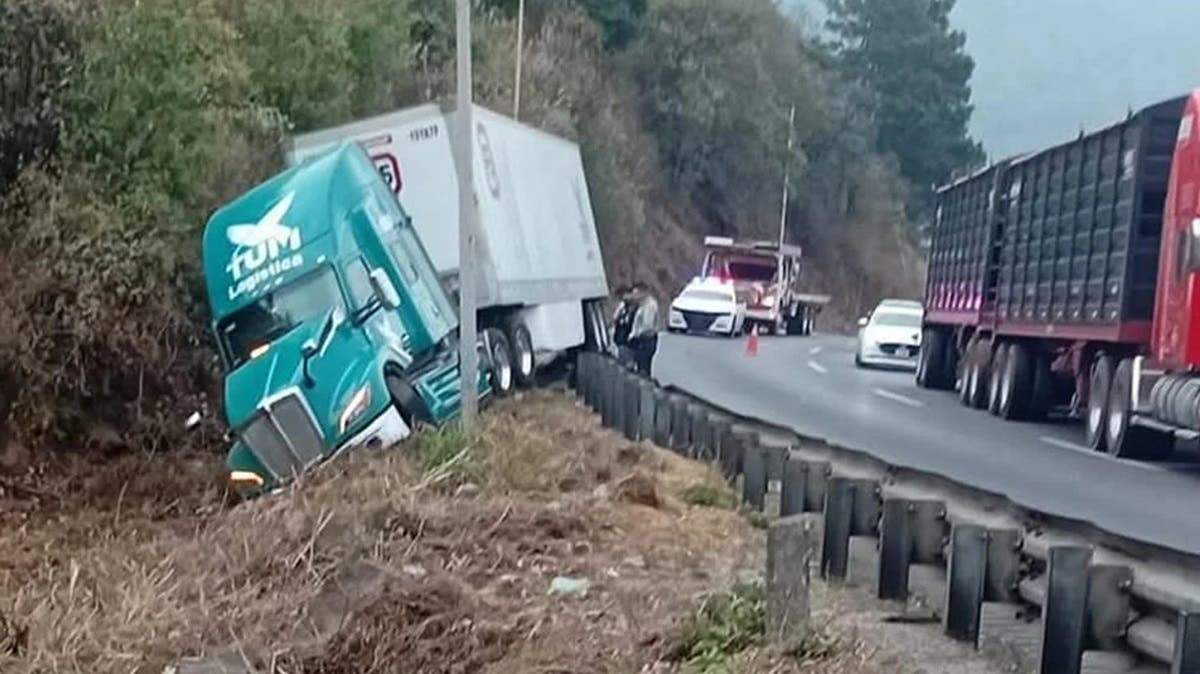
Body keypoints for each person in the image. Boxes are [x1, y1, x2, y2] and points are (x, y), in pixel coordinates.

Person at [627, 282, 660, 375]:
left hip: (646, 340)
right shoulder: (643, 305)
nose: (634, 296)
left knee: (643, 368)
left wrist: (634, 335)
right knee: (642, 366)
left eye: (636, 294)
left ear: (643, 293)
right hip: (644, 340)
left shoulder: (649, 306)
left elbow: (647, 325)